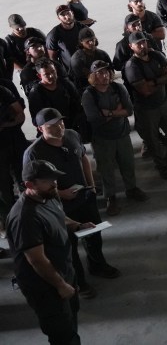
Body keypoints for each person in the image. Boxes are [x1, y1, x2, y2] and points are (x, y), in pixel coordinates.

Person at [24, 108, 121, 299]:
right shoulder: (34, 154)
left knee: (93, 234)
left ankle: (97, 265)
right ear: (40, 128)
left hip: (85, 199)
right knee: (69, 246)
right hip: (59, 207)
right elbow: (32, 186)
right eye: (52, 125)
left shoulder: (71, 135)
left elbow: (83, 158)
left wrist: (91, 185)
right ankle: (79, 282)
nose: (59, 127)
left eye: (60, 122)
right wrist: (60, 193)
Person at [5, 159, 95, 344]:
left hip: (63, 272)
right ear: (29, 185)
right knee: (62, 334)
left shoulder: (48, 195)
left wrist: (78, 225)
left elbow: (60, 216)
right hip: (45, 286)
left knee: (71, 321)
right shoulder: (25, 217)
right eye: (47, 180)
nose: (54, 183)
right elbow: (37, 260)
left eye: (54, 178)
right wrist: (61, 285)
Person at [82, 61, 148, 216]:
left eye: (106, 72)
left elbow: (129, 110)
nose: (104, 75)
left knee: (127, 163)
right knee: (106, 169)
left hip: (122, 134)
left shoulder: (118, 88)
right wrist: (118, 111)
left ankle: (131, 188)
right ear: (93, 76)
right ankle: (110, 197)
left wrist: (109, 113)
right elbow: (94, 119)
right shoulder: (89, 95)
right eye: (99, 73)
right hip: (102, 138)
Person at [123, 32, 167, 180]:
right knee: (153, 141)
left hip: (163, 102)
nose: (142, 45)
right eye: (138, 43)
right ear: (131, 46)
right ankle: (161, 166)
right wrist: (162, 79)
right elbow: (145, 91)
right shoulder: (132, 66)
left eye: (143, 42)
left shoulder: (156, 55)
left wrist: (154, 81)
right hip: (147, 109)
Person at [28, 58, 83, 133]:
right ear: (39, 76)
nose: (51, 76)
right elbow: (37, 119)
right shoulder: (36, 93)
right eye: (46, 74)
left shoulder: (66, 84)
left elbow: (77, 103)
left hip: (72, 126)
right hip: (52, 130)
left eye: (53, 71)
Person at [0, 81, 26, 211]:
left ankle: (28, 213)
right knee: (4, 187)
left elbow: (20, 116)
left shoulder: (3, 89)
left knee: (25, 179)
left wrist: (4, 125)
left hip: (16, 141)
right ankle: (10, 218)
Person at [69, 28, 112, 93]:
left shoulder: (102, 54)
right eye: (87, 41)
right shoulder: (77, 58)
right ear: (81, 42)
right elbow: (86, 78)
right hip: (84, 89)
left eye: (92, 40)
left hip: (103, 86)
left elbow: (111, 71)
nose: (91, 43)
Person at [46, 4, 85, 73]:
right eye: (63, 15)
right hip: (70, 72)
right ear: (59, 18)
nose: (67, 16)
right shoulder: (53, 35)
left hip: (87, 67)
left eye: (68, 13)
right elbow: (52, 58)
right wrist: (62, 73)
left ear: (72, 13)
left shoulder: (82, 28)